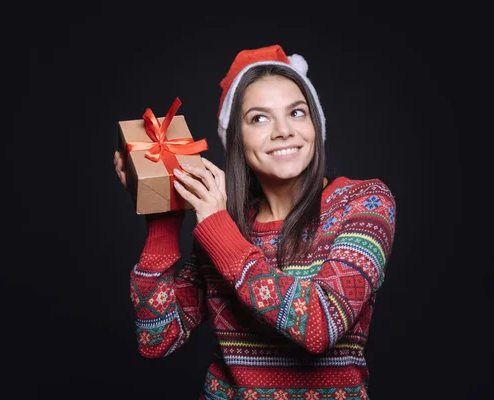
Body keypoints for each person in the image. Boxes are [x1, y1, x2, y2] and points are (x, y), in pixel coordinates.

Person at [113, 44, 396, 400]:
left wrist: (219, 230)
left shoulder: (364, 202)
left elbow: (321, 325)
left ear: (315, 125)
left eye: (296, 112)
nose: (283, 131)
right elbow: (156, 338)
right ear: (236, 140)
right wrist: (164, 215)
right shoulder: (225, 224)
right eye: (259, 118)